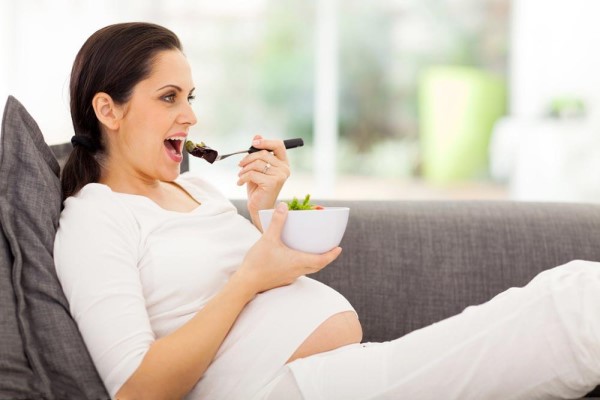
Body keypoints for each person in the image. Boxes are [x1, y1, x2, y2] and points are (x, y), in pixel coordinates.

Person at [53, 22, 600, 400]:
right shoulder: (95, 219)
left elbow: (257, 279)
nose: (191, 116)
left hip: (334, 376)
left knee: (572, 296)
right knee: (569, 304)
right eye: (169, 97)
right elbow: (137, 390)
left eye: (191, 97)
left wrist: (266, 209)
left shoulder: (198, 192)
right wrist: (248, 279)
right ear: (109, 110)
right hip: (277, 389)